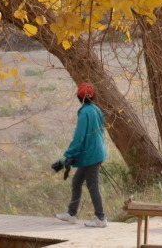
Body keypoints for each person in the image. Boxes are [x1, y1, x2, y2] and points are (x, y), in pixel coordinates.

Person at [55, 83, 108, 228]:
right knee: (77, 181)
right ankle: (71, 214)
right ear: (93, 96)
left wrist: (69, 154)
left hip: (91, 156)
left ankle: (101, 218)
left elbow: (79, 137)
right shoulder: (97, 109)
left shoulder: (84, 112)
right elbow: (100, 132)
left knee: (93, 186)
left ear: (79, 97)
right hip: (95, 153)